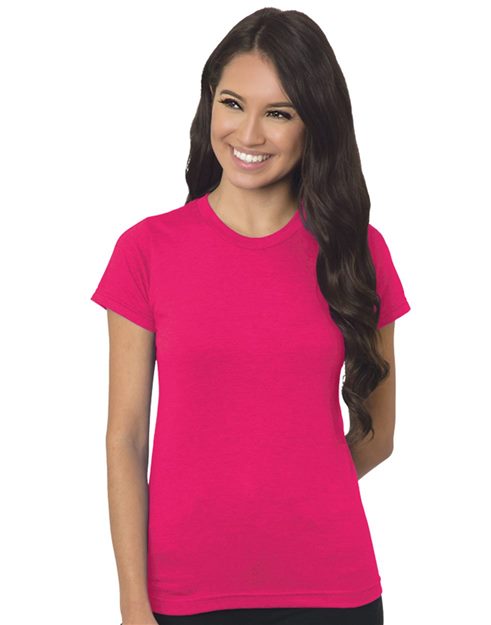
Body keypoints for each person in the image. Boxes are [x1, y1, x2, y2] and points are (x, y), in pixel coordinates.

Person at [91, 7, 410, 625]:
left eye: (280, 113)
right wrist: (132, 602)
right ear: (209, 102)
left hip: (332, 589)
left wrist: (290, 498)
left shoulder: (358, 253)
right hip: (182, 591)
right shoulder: (146, 250)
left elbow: (378, 437)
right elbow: (125, 440)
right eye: (233, 104)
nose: (250, 133)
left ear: (315, 123)